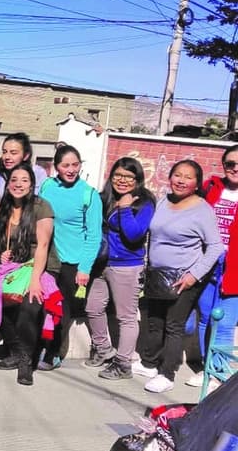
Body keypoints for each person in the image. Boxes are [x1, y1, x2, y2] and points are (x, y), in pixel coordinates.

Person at [134, 160, 224, 393]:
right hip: (158, 274)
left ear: (196, 183)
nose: (181, 180)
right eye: (177, 175)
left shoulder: (202, 210)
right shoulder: (164, 200)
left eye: (188, 177)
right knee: (154, 321)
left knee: (174, 325)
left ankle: (167, 373)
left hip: (184, 277)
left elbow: (215, 247)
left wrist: (193, 276)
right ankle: (149, 363)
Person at [0, 162, 56, 386]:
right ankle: (15, 350)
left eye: (24, 180)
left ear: (32, 184)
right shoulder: (4, 206)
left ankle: (26, 362)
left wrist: (35, 281)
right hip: (13, 267)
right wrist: (1, 253)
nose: (18, 184)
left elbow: (43, 245)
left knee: (29, 307)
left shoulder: (41, 206)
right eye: (14, 180)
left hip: (38, 267)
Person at [84, 157, 155, 379]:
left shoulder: (144, 202)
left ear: (137, 179)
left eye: (128, 176)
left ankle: (123, 364)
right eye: (118, 175)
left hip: (126, 267)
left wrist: (124, 209)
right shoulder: (104, 197)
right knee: (93, 307)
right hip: (102, 264)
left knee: (126, 317)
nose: (122, 180)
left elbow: (134, 235)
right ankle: (104, 349)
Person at [38, 144, 102, 370]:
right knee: (39, 305)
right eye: (65, 165)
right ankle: (35, 346)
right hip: (46, 256)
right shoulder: (46, 186)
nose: (71, 169)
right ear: (56, 167)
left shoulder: (89, 194)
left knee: (60, 310)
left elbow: (94, 235)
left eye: (75, 164)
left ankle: (52, 352)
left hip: (71, 263)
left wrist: (84, 268)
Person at [190, 145, 238, 391]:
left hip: (235, 272)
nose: (235, 168)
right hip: (208, 266)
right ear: (223, 165)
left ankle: (219, 374)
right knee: (205, 319)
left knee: (225, 323)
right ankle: (205, 367)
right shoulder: (211, 188)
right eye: (230, 163)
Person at [0, 132, 48, 197]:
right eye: (4, 152)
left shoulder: (38, 173)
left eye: (13, 153)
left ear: (26, 156)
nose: (7, 157)